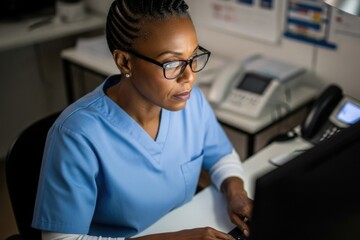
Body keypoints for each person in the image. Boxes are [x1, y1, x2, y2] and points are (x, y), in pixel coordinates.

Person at [31, 0, 253, 239]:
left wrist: (236, 192)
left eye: (193, 57)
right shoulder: (76, 135)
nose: (189, 76)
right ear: (124, 62)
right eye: (172, 63)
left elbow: (220, 156)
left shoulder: (192, 103)